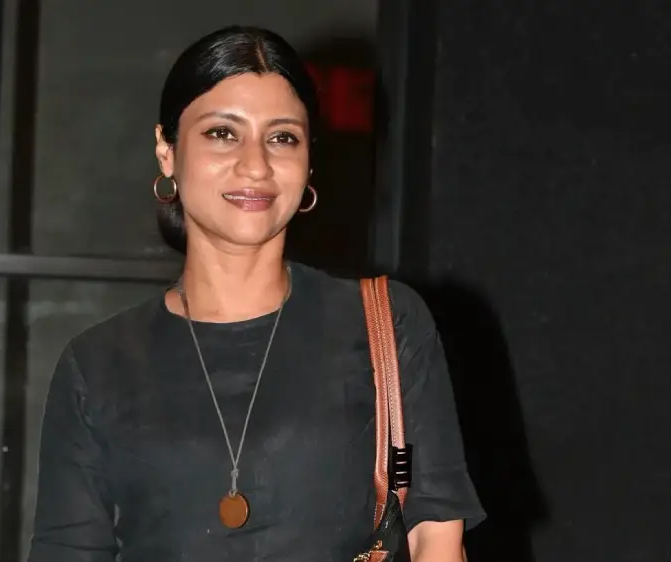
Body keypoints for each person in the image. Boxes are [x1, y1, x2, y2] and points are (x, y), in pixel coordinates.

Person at [27, 25, 484, 562]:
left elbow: (437, 538)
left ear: (309, 160)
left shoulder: (385, 323)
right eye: (223, 133)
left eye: (282, 137)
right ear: (167, 151)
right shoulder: (97, 364)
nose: (255, 165)